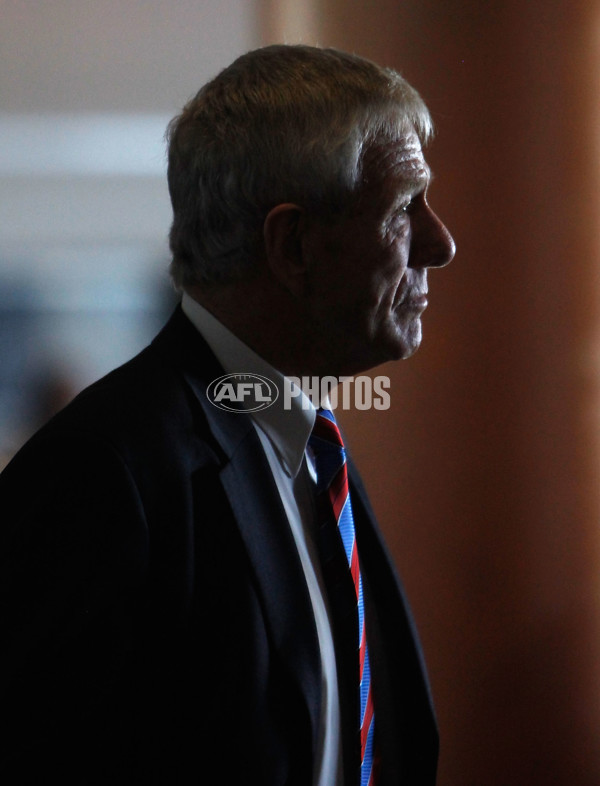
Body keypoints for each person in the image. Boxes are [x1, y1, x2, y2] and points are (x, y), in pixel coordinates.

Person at [0, 44, 455, 785]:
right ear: (292, 244)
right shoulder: (102, 473)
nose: (441, 243)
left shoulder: (313, 449)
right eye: (405, 208)